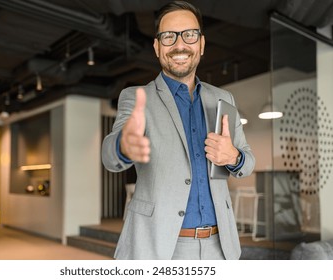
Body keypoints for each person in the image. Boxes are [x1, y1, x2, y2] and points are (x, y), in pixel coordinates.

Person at [101, 0, 255, 260]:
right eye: (169, 36)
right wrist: (122, 146)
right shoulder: (136, 96)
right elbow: (108, 155)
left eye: (190, 35)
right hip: (160, 246)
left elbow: (247, 162)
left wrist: (234, 157)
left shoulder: (223, 98)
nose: (179, 45)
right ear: (157, 46)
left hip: (220, 247)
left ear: (202, 44)